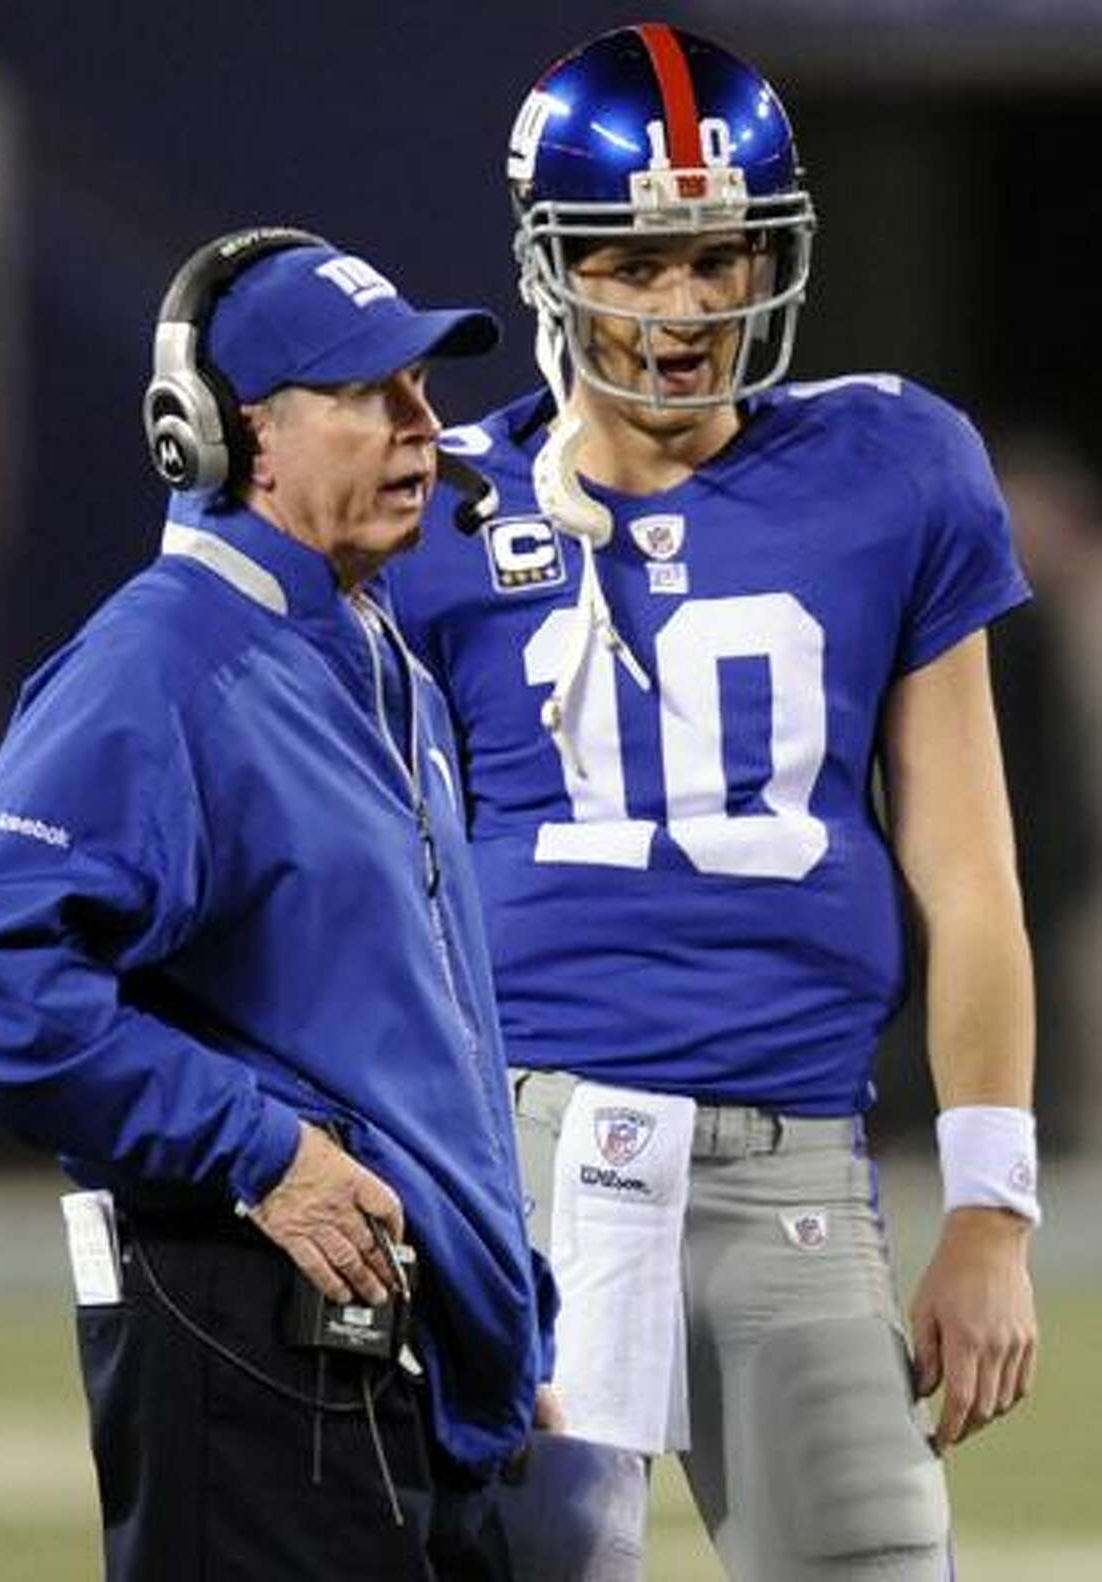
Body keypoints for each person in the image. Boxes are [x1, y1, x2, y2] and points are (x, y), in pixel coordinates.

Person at [388, 25, 1040, 1582]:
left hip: (792, 1168)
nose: (686, 308)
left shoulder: (895, 468)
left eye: (721, 256)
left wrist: (993, 1207)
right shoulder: (445, 512)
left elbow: (967, 872)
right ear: (561, 262)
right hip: (530, 1166)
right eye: (642, 259)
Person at [0, 225, 560, 1582]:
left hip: (394, 1374)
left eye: (423, 392)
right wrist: (255, 1146)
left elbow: (412, 1040)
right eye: (369, 394)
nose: (420, 428)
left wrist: (496, 1333)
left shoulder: (376, 656)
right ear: (232, 435)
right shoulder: (165, 661)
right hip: (258, 1350)